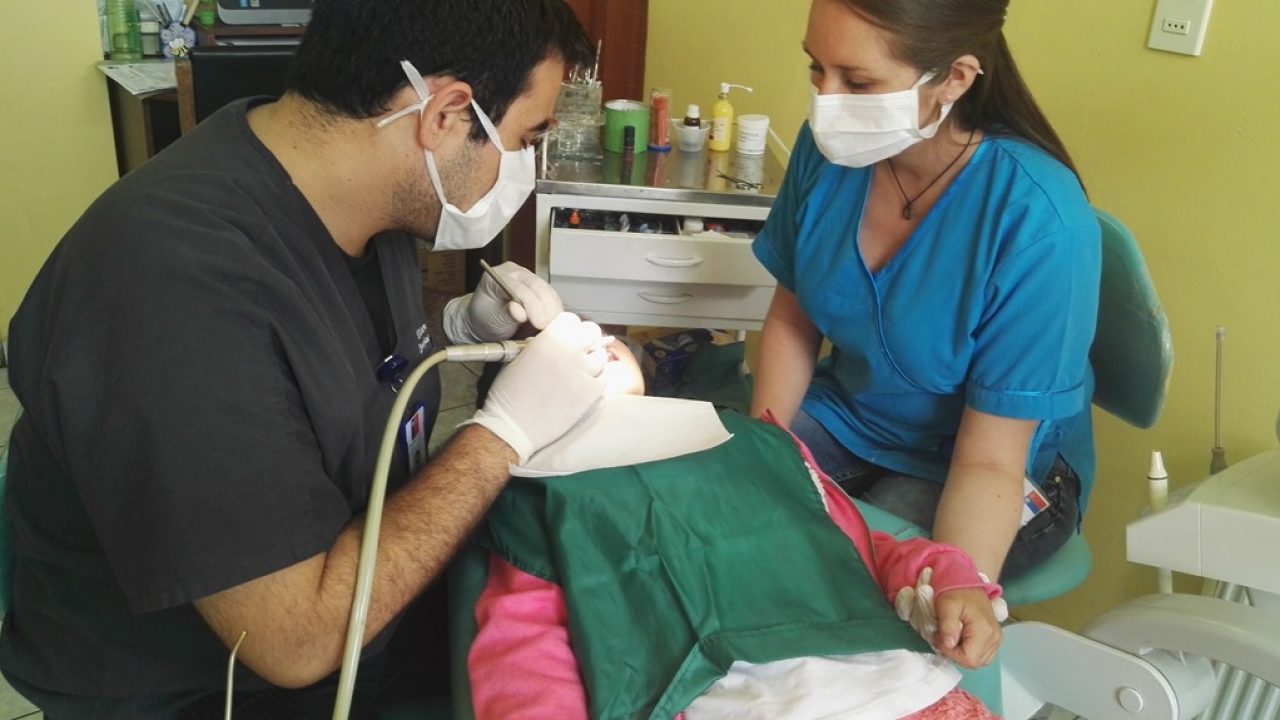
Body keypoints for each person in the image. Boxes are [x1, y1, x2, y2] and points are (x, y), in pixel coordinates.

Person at [1, 1, 604, 716]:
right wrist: (504, 434)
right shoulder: (170, 283)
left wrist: (456, 330)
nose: (524, 168)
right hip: (207, 688)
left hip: (358, 597)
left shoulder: (353, 203)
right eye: (527, 138)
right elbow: (296, 641)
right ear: (444, 114)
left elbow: (323, 362)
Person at [750, 0, 1102, 583]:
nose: (826, 100)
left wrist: (959, 586)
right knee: (717, 506)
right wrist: (763, 449)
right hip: (854, 417)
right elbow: (794, 318)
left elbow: (990, 461)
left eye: (857, 82)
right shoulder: (828, 153)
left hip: (986, 463)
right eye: (816, 67)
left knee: (837, 576)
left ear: (954, 79)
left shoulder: (1039, 222)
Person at [465, 342, 1003, 719]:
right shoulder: (547, 498)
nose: (586, 339)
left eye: (599, 333)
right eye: (545, 347)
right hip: (740, 701)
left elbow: (853, 546)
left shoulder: (751, 443)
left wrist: (951, 581)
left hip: (904, 690)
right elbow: (525, 649)